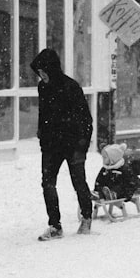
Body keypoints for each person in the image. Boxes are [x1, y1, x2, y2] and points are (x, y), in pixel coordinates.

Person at [30, 48, 94, 240]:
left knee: (78, 181)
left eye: (43, 72)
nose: (41, 77)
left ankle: (87, 217)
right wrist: (43, 137)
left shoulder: (71, 87)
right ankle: (55, 225)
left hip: (73, 144)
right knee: (48, 183)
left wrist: (82, 144)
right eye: (39, 73)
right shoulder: (43, 88)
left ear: (52, 69)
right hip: (51, 145)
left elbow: (85, 119)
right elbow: (44, 115)